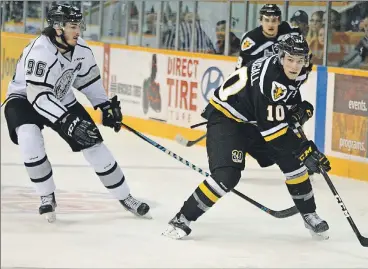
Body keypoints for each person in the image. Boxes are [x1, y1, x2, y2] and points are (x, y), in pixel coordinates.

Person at [163, 34, 331, 240]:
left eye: (300, 60)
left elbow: (282, 99)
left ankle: (309, 214)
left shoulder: (296, 71)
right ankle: (182, 218)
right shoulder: (271, 81)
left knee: (293, 161)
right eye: (290, 59)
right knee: (227, 176)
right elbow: (276, 135)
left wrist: (296, 109)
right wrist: (306, 150)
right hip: (227, 119)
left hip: (253, 119)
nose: (295, 66)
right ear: (280, 57)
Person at [3, 4, 150, 222]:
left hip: (62, 99)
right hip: (24, 100)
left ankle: (125, 197)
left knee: (93, 143)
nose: (78, 31)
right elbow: (39, 98)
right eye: (73, 26)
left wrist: (104, 104)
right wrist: (66, 120)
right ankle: (46, 196)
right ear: (57, 28)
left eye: (78, 26)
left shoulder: (80, 49)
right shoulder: (39, 53)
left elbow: (88, 80)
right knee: (28, 138)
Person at [236, 4, 302, 69]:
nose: (270, 24)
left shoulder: (288, 29)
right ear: (260, 21)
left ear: (279, 21)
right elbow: (240, 70)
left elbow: (303, 39)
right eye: (267, 20)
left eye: (274, 20)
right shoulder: (251, 40)